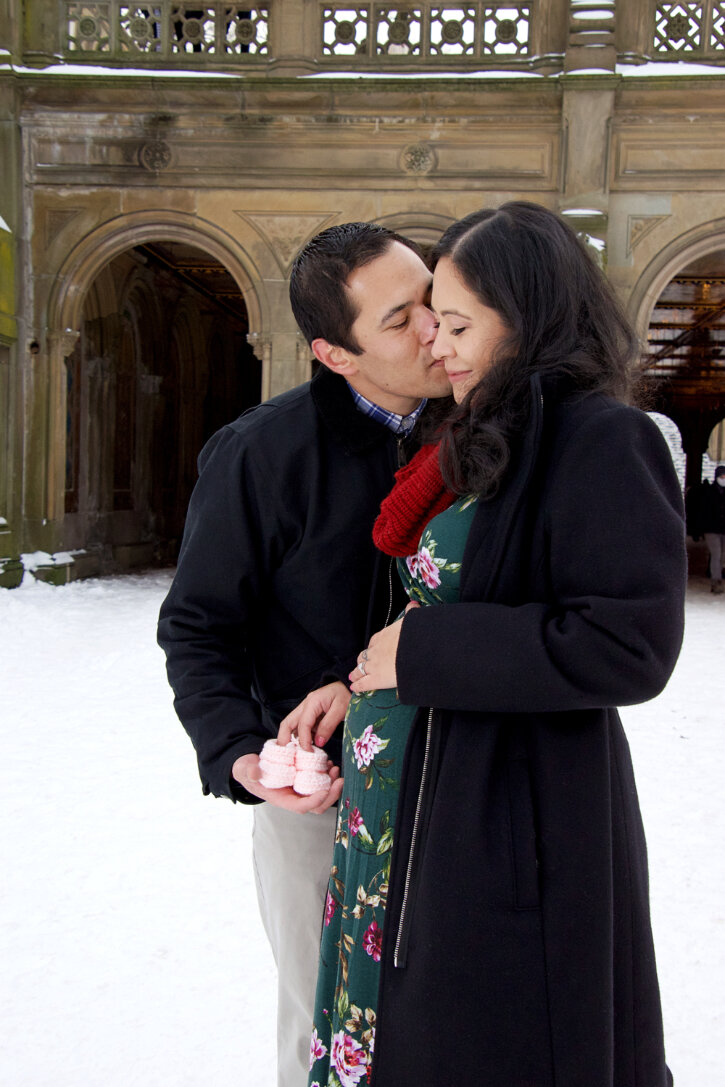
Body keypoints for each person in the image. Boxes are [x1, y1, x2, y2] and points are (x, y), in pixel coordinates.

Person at [284, 202, 686, 1087]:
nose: (439, 342)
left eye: (459, 323)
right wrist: (365, 683)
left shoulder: (601, 441)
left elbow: (629, 643)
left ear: (530, 314)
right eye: (433, 319)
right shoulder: (479, 438)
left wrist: (424, 652)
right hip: (406, 813)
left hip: (506, 816)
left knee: (485, 1041)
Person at [157, 221, 451, 1087]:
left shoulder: (482, 432)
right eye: (400, 318)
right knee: (328, 1024)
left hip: (465, 776)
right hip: (320, 796)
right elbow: (197, 626)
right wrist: (241, 754)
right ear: (334, 353)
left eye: (431, 297)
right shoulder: (260, 454)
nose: (434, 325)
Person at [703, 463, 725, 592]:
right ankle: (715, 580)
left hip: (723, 529)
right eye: (722, 476)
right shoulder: (709, 492)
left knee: (722, 556)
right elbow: (703, 511)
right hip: (712, 529)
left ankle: (718, 576)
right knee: (716, 554)